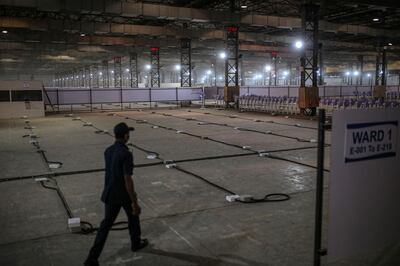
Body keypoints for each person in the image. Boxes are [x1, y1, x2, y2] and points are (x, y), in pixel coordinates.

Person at [85, 122, 148, 266]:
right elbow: (127, 179)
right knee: (134, 216)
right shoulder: (126, 154)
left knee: (105, 226)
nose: (129, 136)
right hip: (123, 194)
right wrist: (134, 201)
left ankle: (92, 258)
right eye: (128, 133)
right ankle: (135, 243)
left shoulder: (108, 151)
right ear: (126, 135)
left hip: (110, 193)